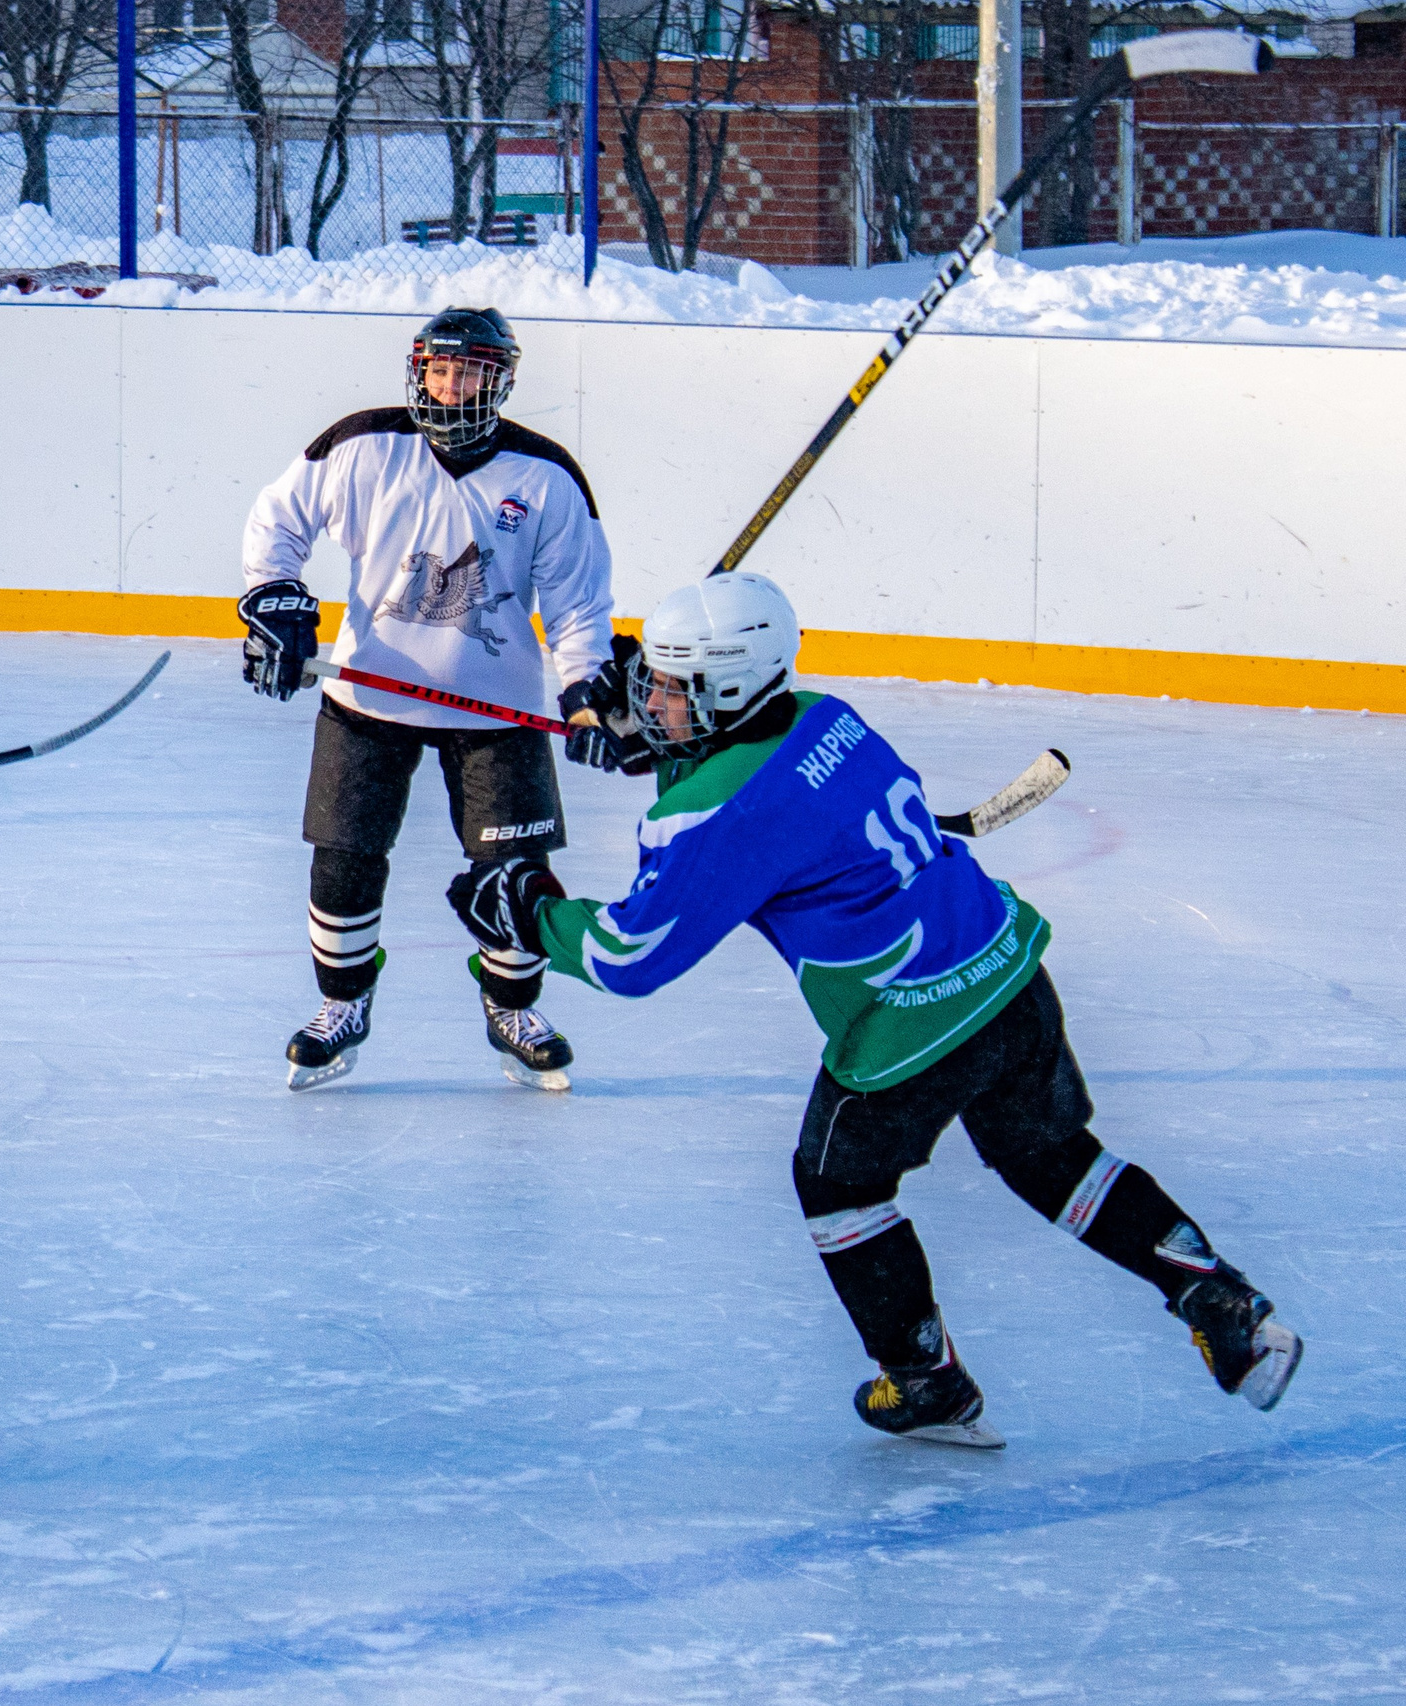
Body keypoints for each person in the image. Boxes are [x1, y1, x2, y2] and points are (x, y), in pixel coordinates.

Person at [448, 570, 1302, 1446]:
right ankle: (1219, 1296)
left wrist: (527, 910)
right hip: (1002, 970)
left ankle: (927, 1382)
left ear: (727, 691)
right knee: (1053, 1160)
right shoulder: (827, 718)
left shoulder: (717, 812)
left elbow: (631, 956)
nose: (651, 699)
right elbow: (765, 795)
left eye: (671, 686)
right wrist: (664, 748)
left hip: (908, 1030)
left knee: (837, 1185)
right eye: (654, 682)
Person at [238, 306, 630, 1093]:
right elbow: (277, 520)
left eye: (471, 372)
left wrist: (585, 691)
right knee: (343, 857)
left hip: (495, 709)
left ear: (500, 380)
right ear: (420, 372)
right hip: (369, 694)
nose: (452, 387)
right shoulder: (363, 445)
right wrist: (275, 599)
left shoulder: (544, 474)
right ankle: (342, 1004)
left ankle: (512, 1009)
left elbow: (578, 605)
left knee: (514, 869)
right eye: (440, 370)